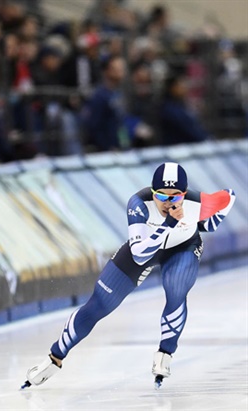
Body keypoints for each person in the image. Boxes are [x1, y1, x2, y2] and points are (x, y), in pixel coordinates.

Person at [22, 162, 236, 389]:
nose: (168, 203)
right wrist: (169, 224)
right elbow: (140, 254)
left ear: (184, 194)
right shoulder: (138, 204)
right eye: (162, 196)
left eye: (176, 197)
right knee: (99, 305)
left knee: (176, 288)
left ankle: (165, 353)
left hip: (182, 247)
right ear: (152, 192)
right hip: (145, 248)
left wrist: (207, 224)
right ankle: (54, 358)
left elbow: (228, 197)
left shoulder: (198, 203)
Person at [82, 55, 129, 152]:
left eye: (122, 68)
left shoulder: (118, 93)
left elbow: (120, 122)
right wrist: (107, 147)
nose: (121, 71)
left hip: (120, 147)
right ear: (106, 71)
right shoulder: (99, 96)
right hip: (106, 150)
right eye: (116, 68)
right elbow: (94, 126)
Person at [160, 75, 210, 146]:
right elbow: (189, 130)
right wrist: (205, 139)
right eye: (181, 85)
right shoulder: (169, 108)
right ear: (173, 88)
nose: (185, 88)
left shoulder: (181, 105)